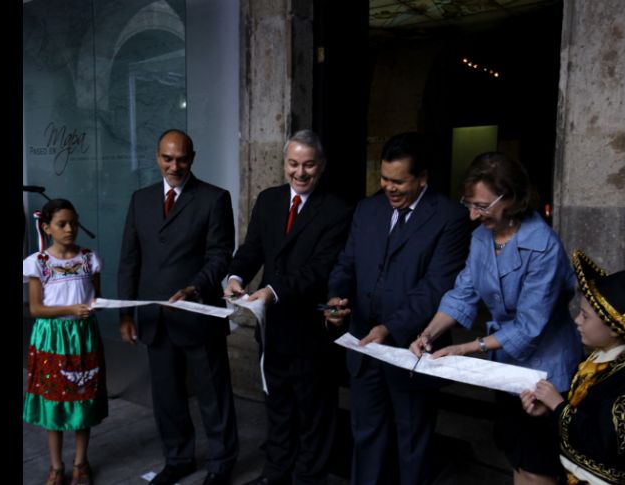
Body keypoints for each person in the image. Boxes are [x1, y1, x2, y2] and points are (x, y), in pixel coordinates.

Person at [410, 152, 583, 485]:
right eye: (469, 204)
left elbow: (529, 327)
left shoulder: (543, 246)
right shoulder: (480, 238)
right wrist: (428, 333)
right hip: (505, 366)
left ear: (513, 198)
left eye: (483, 206)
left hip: (546, 369)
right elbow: (463, 293)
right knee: (515, 456)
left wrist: (463, 349)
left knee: (538, 465)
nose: (474, 216)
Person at [326, 132, 470, 485]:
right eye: (384, 179)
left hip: (411, 350)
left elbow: (436, 287)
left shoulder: (449, 217)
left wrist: (390, 327)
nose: (389, 188)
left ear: (422, 178)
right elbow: (347, 263)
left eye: (399, 181)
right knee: (366, 436)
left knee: (412, 443)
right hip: (363, 344)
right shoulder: (367, 209)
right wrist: (336, 297)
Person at [225, 130, 352, 485]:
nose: (300, 172)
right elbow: (252, 248)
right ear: (284, 164)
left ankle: (310, 478)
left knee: (314, 412)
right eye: (293, 164)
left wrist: (270, 290)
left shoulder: (338, 210)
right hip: (273, 327)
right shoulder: (268, 200)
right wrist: (236, 276)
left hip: (312, 329)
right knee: (278, 405)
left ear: (322, 166)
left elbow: (320, 268)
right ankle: (275, 474)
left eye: (309, 164)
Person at [117, 129, 237, 485]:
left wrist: (196, 286)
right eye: (167, 158)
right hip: (155, 318)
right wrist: (126, 313)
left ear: (192, 158)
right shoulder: (140, 200)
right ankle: (179, 458)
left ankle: (220, 463)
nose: (174, 166)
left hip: (198, 315)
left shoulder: (214, 198)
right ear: (157, 157)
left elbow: (220, 255)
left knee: (213, 396)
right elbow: (129, 260)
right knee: (167, 398)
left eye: (181, 159)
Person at [520, 250, 625, 485]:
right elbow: (588, 410)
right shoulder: (600, 362)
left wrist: (558, 405)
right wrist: (549, 410)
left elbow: (605, 444)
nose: (577, 321)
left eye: (585, 316)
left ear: (613, 328)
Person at [23, 198, 106, 485]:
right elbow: (35, 309)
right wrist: (70, 309)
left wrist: (97, 306)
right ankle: (56, 466)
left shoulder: (88, 259)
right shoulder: (38, 264)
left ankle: (81, 463)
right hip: (52, 339)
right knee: (54, 400)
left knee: (84, 398)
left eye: (73, 222)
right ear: (46, 228)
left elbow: (95, 299)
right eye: (61, 224)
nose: (70, 228)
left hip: (83, 337)